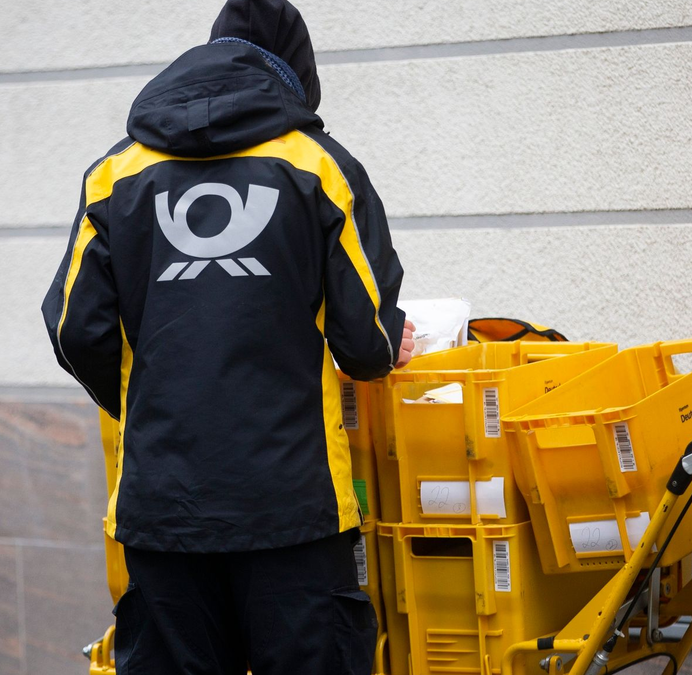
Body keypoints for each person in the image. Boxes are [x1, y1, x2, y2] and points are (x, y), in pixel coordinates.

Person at [41, 0, 413, 672]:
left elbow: (74, 330)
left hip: (162, 510)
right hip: (293, 510)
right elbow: (367, 344)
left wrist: (156, 406)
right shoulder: (318, 166)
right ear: (297, 77)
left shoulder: (114, 175)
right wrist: (390, 337)